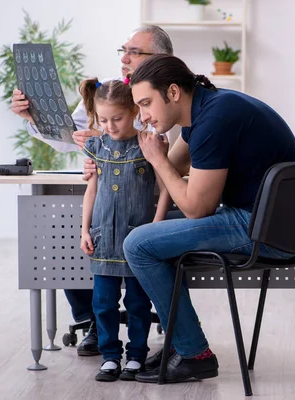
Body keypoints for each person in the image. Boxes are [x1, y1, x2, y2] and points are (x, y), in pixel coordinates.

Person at [121, 54, 295, 384]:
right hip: (278, 224)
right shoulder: (209, 109)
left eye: (146, 103)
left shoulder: (214, 120)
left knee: (137, 244)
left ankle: (194, 354)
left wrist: (158, 160)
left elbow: (196, 209)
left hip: (264, 229)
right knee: (155, 232)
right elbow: (174, 171)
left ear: (173, 92)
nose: (143, 116)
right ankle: (181, 342)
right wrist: (153, 156)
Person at [10, 25, 176, 356]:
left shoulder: (171, 94)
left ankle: (148, 332)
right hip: (108, 190)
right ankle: (92, 322)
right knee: (65, 228)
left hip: (155, 199)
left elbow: (172, 152)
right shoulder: (109, 92)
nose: (125, 58)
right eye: (123, 50)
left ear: (160, 59)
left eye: (134, 52)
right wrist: (35, 117)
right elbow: (67, 134)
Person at [79, 76, 169, 381]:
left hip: (138, 240)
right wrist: (84, 230)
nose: (110, 126)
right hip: (104, 238)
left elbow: (165, 188)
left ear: (133, 110)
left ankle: (136, 355)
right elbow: (91, 190)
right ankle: (110, 357)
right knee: (102, 303)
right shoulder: (95, 146)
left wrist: (156, 227)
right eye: (103, 119)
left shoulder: (148, 143)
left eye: (116, 118)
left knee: (137, 302)